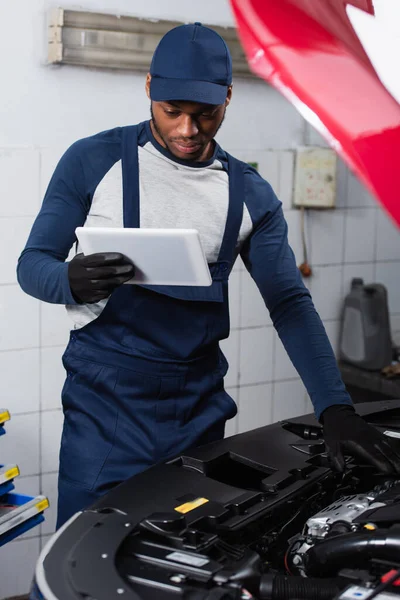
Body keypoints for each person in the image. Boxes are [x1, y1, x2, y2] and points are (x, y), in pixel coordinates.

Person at [17, 22, 400, 529]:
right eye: (171, 111)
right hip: (105, 414)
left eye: (205, 115)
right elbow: (31, 265)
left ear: (228, 98)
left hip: (197, 414)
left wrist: (336, 407)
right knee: (88, 545)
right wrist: (70, 280)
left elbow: (288, 302)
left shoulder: (249, 194)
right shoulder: (92, 162)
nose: (186, 131)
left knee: (195, 552)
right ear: (150, 88)